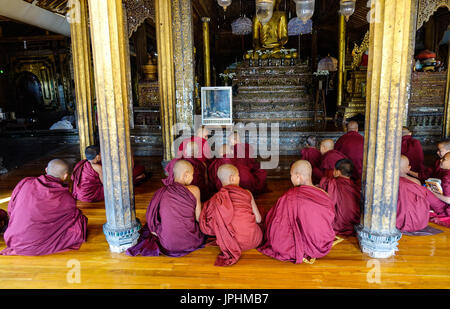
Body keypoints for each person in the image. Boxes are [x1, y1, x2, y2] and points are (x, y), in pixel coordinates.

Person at [1, 159, 88, 256]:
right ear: (65, 176)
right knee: (80, 222)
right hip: (35, 246)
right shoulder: (66, 198)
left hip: (13, 238)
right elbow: (71, 218)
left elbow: (11, 208)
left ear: (46, 170)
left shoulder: (26, 183)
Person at [258, 160, 335, 264]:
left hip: (303, 244)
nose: (291, 178)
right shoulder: (324, 194)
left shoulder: (290, 197)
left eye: (291, 175)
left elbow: (278, 222)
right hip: (323, 241)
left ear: (298, 177)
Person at [126, 160, 205, 257]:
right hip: (190, 241)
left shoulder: (162, 191)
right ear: (186, 175)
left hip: (167, 244)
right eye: (192, 175)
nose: (193, 178)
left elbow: (151, 216)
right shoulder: (195, 190)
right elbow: (198, 218)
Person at [200, 164, 262, 266]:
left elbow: (209, 224)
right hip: (253, 241)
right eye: (238, 176)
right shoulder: (247, 193)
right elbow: (258, 219)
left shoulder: (216, 198)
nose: (239, 178)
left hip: (229, 242)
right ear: (232, 178)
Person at [397, 155, 448, 232]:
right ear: (408, 168)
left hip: (393, 223)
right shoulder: (415, 182)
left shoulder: (384, 183)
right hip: (418, 222)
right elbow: (436, 204)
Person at [319, 159, 361, 236]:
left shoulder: (332, 183)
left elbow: (327, 202)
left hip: (338, 223)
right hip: (354, 223)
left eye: (334, 170)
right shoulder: (355, 187)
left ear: (338, 172)